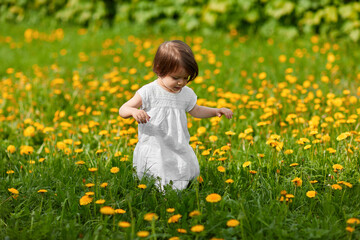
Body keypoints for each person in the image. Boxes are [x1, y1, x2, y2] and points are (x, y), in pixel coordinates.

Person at [119, 40, 233, 190]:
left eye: (186, 78)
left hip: (177, 142)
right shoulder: (149, 91)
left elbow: (196, 110)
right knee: (156, 170)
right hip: (155, 144)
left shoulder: (186, 94)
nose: (181, 83)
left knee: (182, 169)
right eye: (176, 78)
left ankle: (179, 187)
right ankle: (161, 193)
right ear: (159, 70)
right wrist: (134, 111)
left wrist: (215, 111)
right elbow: (123, 109)